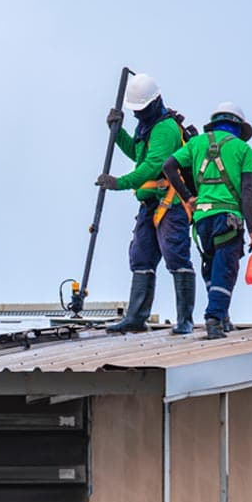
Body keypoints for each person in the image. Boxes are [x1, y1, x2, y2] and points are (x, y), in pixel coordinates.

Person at [96, 73, 196, 334]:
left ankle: (185, 320)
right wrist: (117, 133)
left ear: (154, 102)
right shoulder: (147, 127)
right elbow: (138, 155)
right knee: (141, 257)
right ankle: (136, 318)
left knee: (176, 256)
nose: (138, 114)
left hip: (170, 204)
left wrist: (119, 182)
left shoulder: (165, 128)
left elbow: (153, 167)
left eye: (141, 109)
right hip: (150, 204)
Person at [162, 102, 252, 339]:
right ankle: (214, 318)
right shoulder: (243, 150)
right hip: (228, 219)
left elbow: (169, 166)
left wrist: (187, 197)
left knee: (211, 267)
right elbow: (248, 191)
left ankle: (222, 316)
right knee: (224, 269)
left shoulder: (197, 144)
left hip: (202, 221)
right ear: (239, 127)